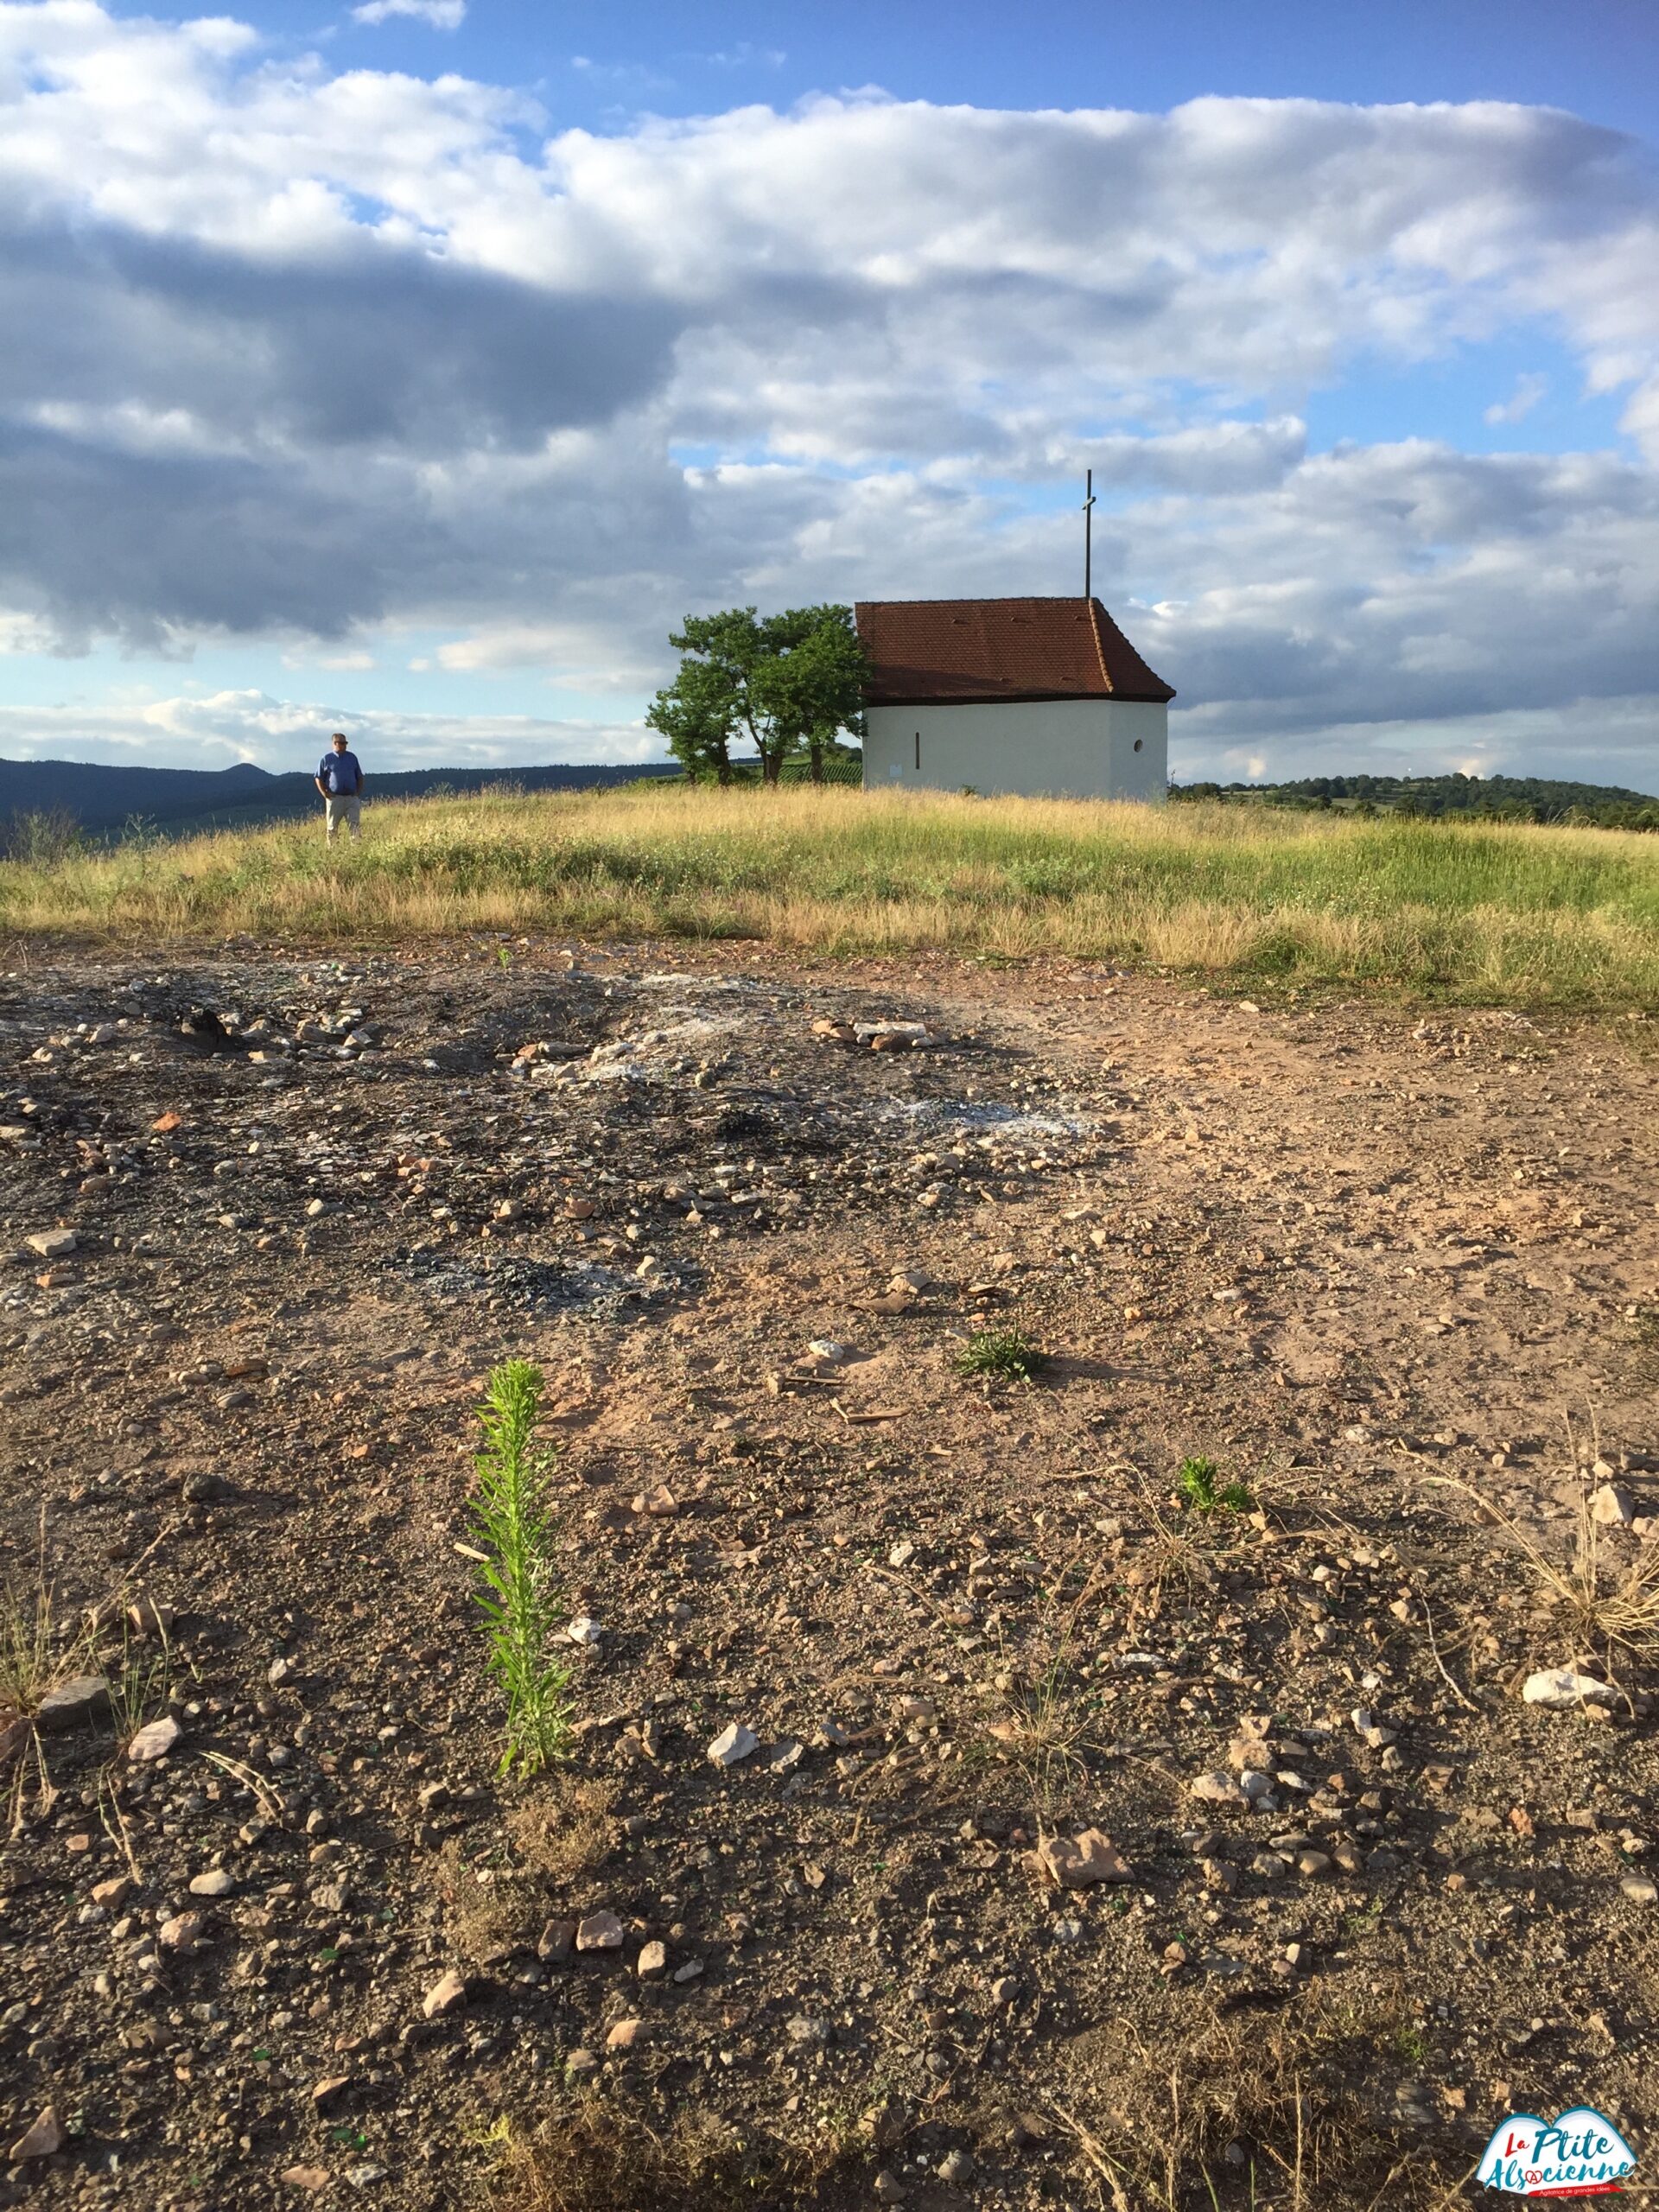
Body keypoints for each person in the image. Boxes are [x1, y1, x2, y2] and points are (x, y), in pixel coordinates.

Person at [315, 732, 365, 843]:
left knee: (355, 825)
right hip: (335, 798)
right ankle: (332, 851)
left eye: (345, 743)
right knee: (332, 827)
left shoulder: (352, 757)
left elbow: (360, 776)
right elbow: (318, 778)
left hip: (351, 798)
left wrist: (358, 792)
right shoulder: (326, 759)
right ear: (334, 743)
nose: (344, 745)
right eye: (341, 743)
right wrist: (325, 793)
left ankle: (356, 850)